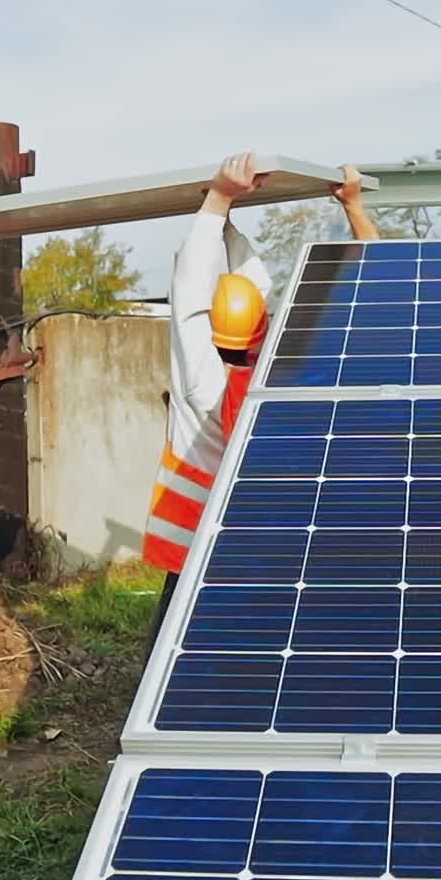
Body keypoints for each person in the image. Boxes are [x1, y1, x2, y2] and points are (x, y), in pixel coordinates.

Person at [141, 152, 378, 651]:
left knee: (171, 672)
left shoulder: (203, 384)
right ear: (264, 327)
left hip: (194, 556)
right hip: (266, 555)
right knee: (259, 665)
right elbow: (377, 290)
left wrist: (219, 202)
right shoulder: (288, 376)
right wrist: (353, 208)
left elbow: (189, 300)